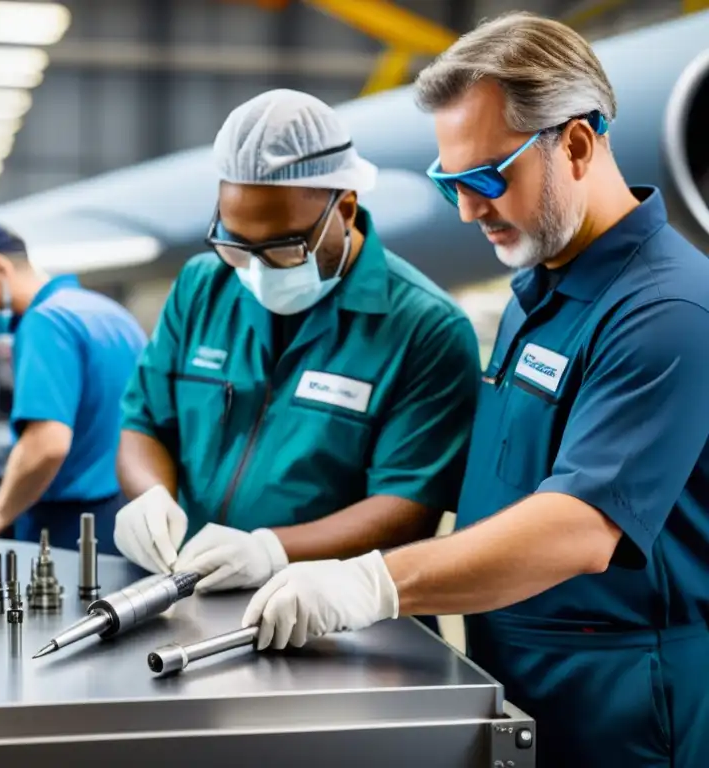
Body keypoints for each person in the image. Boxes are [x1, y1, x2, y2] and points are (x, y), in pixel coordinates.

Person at [239, 13, 709, 768]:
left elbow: (580, 528)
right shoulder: (539, 288)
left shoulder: (669, 310)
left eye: (487, 179)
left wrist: (373, 583)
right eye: (448, 182)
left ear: (578, 145)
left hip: (624, 705)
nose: (466, 210)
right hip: (520, 681)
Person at [113, 88, 481, 603]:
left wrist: (272, 550)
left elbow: (407, 503)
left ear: (345, 208)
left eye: (284, 246)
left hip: (337, 618)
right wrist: (151, 495)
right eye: (238, 245)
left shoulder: (425, 328)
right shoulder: (203, 286)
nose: (256, 268)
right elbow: (144, 423)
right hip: (193, 592)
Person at [0, 218, 147, 554]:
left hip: (71, 530)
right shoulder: (108, 313)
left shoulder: (45, 322)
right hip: (129, 518)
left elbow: (47, 445)